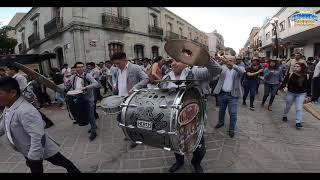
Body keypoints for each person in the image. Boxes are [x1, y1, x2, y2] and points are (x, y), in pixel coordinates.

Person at [0, 77, 81, 173]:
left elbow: (38, 136)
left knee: (60, 161)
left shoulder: (25, 110)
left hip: (37, 149)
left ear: (13, 93)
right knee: (60, 161)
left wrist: (33, 158)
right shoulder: (8, 107)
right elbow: (4, 124)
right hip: (27, 149)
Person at [159, 56, 222, 173]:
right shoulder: (166, 77)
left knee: (199, 148)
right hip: (174, 119)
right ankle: (179, 161)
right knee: (176, 143)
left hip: (195, 118)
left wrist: (204, 56)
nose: (173, 63)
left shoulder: (195, 73)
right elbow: (162, 96)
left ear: (185, 63)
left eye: (176, 60)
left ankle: (196, 162)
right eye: (171, 61)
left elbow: (216, 70)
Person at [111, 52, 149, 148]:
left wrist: (135, 88)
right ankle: (128, 134)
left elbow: (145, 79)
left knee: (132, 119)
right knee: (121, 118)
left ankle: (136, 138)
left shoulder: (134, 68)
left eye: (118, 63)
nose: (117, 66)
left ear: (125, 60)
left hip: (132, 99)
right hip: (121, 98)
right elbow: (117, 80)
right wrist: (115, 86)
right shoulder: (117, 70)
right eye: (115, 64)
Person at [65, 62, 99, 141]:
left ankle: (94, 131)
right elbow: (69, 85)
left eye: (82, 67)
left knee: (90, 114)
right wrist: (66, 86)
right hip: (78, 98)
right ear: (75, 68)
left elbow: (96, 83)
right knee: (85, 113)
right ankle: (93, 125)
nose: (81, 68)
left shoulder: (87, 75)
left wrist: (86, 87)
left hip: (87, 98)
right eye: (79, 67)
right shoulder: (73, 77)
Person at [213, 55, 246, 138]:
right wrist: (220, 61)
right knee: (221, 110)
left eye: (231, 60)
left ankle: (231, 129)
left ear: (234, 61)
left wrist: (233, 65)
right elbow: (214, 70)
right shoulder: (222, 67)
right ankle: (221, 123)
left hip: (233, 95)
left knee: (233, 112)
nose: (229, 61)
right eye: (228, 60)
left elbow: (243, 72)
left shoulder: (238, 68)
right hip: (222, 93)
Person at [279, 62, 311, 129]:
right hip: (291, 93)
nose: (295, 68)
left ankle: (298, 122)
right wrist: (282, 88)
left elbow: (308, 86)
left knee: (299, 108)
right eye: (294, 66)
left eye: (297, 66)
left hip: (301, 94)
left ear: (302, 68)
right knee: (288, 105)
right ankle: (285, 115)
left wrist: (308, 95)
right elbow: (284, 82)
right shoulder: (290, 74)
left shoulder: (306, 76)